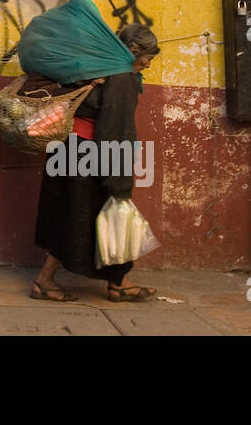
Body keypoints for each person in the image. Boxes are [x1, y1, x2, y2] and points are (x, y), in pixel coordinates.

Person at [30, 22, 160, 303]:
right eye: (148, 57)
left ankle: (118, 281)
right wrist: (120, 181)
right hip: (89, 154)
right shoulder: (122, 76)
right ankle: (44, 280)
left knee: (82, 214)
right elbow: (115, 130)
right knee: (81, 218)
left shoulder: (94, 64)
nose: (148, 64)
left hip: (67, 148)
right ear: (133, 51)